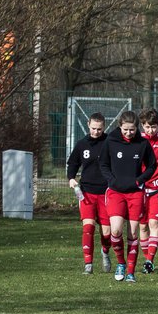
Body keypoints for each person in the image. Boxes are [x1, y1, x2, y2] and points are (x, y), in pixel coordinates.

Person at [98, 110, 156, 283]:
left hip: (136, 193)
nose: (129, 133)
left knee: (132, 232)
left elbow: (152, 166)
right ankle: (121, 263)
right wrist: (111, 180)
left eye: (132, 130)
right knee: (115, 230)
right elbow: (103, 163)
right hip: (116, 192)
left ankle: (130, 271)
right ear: (120, 127)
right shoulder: (111, 141)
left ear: (137, 128)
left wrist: (140, 180)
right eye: (125, 130)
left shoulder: (143, 144)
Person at [66, 112, 112, 274]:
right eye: (93, 128)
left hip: (106, 193)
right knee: (88, 227)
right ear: (88, 125)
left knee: (108, 233)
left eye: (99, 129)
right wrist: (71, 178)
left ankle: (105, 252)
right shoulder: (81, 144)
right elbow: (72, 163)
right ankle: (88, 264)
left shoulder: (110, 142)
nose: (96, 132)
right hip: (86, 193)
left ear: (104, 127)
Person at [137, 108, 158, 273]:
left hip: (157, 189)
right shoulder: (138, 140)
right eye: (147, 127)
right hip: (139, 189)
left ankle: (149, 261)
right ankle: (145, 260)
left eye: (154, 126)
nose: (151, 130)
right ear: (142, 126)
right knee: (142, 227)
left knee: (154, 223)